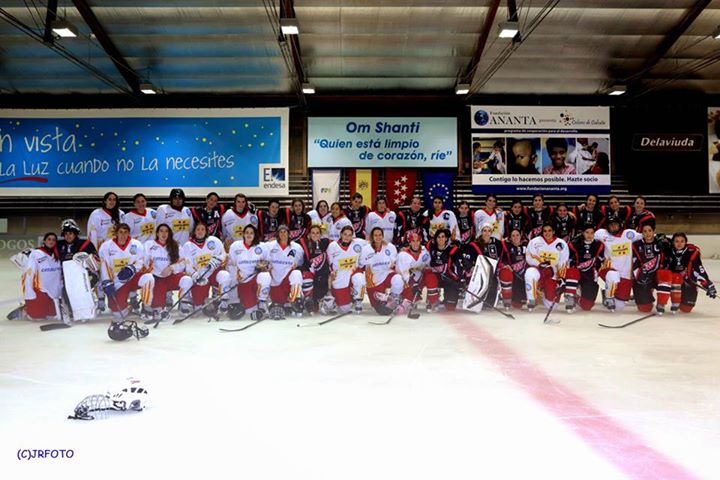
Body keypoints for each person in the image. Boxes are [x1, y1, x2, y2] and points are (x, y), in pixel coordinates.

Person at [177, 222, 230, 316]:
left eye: (203, 229)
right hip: (200, 277)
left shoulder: (214, 240)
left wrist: (216, 261)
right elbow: (188, 265)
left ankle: (223, 300)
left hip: (213, 273)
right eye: (198, 229)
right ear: (194, 231)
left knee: (224, 275)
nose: (200, 232)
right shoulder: (188, 246)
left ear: (206, 231)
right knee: (198, 307)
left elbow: (223, 254)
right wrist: (195, 276)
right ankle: (187, 302)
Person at [97, 223, 148, 320]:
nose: (123, 235)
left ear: (129, 233)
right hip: (118, 282)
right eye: (120, 232)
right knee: (118, 314)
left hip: (132, 278)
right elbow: (105, 266)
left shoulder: (136, 245)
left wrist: (132, 268)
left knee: (149, 279)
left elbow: (141, 260)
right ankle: (130, 306)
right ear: (116, 233)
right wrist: (107, 282)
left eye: (125, 232)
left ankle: (146, 308)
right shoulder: (106, 247)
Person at [137, 224, 184, 323]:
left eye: (166, 231)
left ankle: (184, 302)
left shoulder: (176, 245)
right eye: (161, 231)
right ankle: (148, 306)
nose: (163, 233)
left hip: (170, 276)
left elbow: (183, 262)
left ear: (169, 233)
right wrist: (148, 267)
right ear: (157, 233)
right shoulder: (149, 244)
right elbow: (143, 261)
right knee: (158, 307)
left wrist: (172, 267)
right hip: (155, 278)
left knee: (187, 280)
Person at [255, 225, 305, 318]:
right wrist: (261, 264)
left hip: (286, 282)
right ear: (277, 233)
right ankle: (262, 304)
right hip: (273, 282)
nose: (283, 234)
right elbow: (256, 249)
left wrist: (297, 265)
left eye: (285, 231)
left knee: (297, 273)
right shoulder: (269, 245)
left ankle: (296, 302)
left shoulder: (297, 247)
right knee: (263, 275)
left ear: (289, 233)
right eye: (281, 232)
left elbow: (301, 263)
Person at [594, 217, 642, 311]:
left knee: (619, 307)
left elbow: (645, 236)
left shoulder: (628, 234)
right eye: (611, 225)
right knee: (613, 276)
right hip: (608, 269)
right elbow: (589, 237)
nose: (613, 227)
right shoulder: (602, 234)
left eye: (615, 224)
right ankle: (608, 297)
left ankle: (607, 293)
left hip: (626, 274)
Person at [87, 191, 124, 313]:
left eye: (114, 199)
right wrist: (93, 251)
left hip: (117, 250)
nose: (112, 201)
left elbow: (125, 232)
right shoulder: (96, 214)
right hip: (101, 249)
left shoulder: (121, 214)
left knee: (115, 273)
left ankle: (118, 299)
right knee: (101, 273)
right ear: (105, 201)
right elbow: (92, 232)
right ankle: (101, 299)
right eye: (109, 199)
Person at [664, 232, 716, 313]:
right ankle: (674, 300)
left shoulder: (692, 253)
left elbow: (699, 270)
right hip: (672, 283)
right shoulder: (668, 251)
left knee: (686, 309)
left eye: (682, 241)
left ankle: (683, 297)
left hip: (688, 282)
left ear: (686, 242)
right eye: (676, 241)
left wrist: (708, 285)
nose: (679, 243)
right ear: (673, 242)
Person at [226, 224, 270, 320]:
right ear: (243, 234)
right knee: (250, 311)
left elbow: (267, 262)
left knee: (265, 276)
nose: (249, 235)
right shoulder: (236, 246)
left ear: (255, 235)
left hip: (256, 279)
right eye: (247, 233)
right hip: (244, 282)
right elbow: (231, 265)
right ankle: (255, 305)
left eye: (251, 233)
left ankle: (262, 302)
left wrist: (262, 266)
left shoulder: (262, 246)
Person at [524, 223, 570, 312]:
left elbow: (563, 261)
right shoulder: (535, 242)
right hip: (539, 270)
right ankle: (531, 299)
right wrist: (542, 265)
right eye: (545, 231)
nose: (547, 233)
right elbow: (529, 257)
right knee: (530, 273)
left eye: (549, 230)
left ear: (553, 232)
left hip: (553, 274)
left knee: (551, 306)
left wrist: (561, 278)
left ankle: (542, 295)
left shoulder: (561, 244)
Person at [631, 221, 672, 315]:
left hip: (658, 276)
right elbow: (634, 262)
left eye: (650, 230)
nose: (647, 233)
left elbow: (675, 248)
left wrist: (667, 242)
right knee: (644, 309)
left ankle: (661, 304)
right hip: (644, 275)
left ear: (654, 232)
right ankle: (648, 295)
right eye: (645, 231)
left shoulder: (661, 243)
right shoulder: (636, 245)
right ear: (642, 233)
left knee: (666, 275)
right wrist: (639, 275)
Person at [359, 226, 402, 314]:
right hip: (374, 280)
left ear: (383, 236)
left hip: (387, 274)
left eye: (380, 235)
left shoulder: (390, 247)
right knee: (381, 310)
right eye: (375, 235)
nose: (378, 237)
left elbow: (394, 263)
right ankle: (385, 298)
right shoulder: (366, 249)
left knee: (398, 279)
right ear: (372, 236)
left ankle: (393, 300)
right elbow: (361, 265)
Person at [21, 233, 62, 321]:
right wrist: (29, 291)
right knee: (38, 318)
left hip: (54, 291)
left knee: (52, 316)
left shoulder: (57, 254)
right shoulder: (36, 254)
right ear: (44, 241)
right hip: (40, 289)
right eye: (49, 239)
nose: (51, 241)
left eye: (53, 240)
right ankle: (25, 310)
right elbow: (29, 272)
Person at [326, 225, 367, 314]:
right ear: (340, 234)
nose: (347, 237)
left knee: (360, 278)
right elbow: (329, 262)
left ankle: (358, 301)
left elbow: (373, 242)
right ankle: (348, 297)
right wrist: (331, 273)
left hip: (353, 272)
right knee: (345, 308)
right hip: (340, 275)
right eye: (345, 234)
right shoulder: (333, 246)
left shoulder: (358, 243)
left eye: (349, 235)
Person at [566, 225, 604, 311]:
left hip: (590, 276)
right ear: (583, 233)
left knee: (587, 306)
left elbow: (603, 261)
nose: (589, 235)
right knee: (571, 272)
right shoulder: (574, 243)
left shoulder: (599, 245)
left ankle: (577, 297)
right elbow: (568, 261)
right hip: (576, 275)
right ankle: (570, 296)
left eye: (592, 233)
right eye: (587, 232)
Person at [424, 229, 462, 312]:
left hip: (448, 278)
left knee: (450, 307)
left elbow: (458, 267)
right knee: (430, 277)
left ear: (446, 238)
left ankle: (447, 300)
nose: (441, 239)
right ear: (435, 238)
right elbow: (420, 249)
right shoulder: (431, 246)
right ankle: (432, 299)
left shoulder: (453, 250)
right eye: (438, 237)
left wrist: (455, 278)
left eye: (443, 237)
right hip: (435, 277)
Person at [394, 232, 431, 314]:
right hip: (406, 281)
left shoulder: (425, 252)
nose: (415, 243)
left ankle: (431, 298)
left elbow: (429, 265)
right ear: (409, 242)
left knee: (430, 276)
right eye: (413, 241)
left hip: (418, 279)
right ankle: (401, 298)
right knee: (402, 282)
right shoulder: (403, 255)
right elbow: (404, 273)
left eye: (417, 241)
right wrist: (413, 284)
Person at [298, 224, 332, 313]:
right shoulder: (304, 243)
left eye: (317, 233)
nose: (315, 235)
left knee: (323, 282)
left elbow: (339, 243)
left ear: (321, 234)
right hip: (310, 273)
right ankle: (308, 300)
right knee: (306, 276)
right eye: (313, 233)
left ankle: (320, 300)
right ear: (309, 234)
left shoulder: (325, 242)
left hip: (322, 274)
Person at [497, 229, 528, 310]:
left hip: (523, 273)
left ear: (521, 235)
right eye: (513, 236)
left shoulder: (526, 245)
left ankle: (530, 298)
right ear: (510, 237)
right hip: (513, 273)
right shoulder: (507, 246)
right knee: (506, 273)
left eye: (517, 235)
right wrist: (506, 265)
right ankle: (507, 298)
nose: (515, 237)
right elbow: (502, 259)